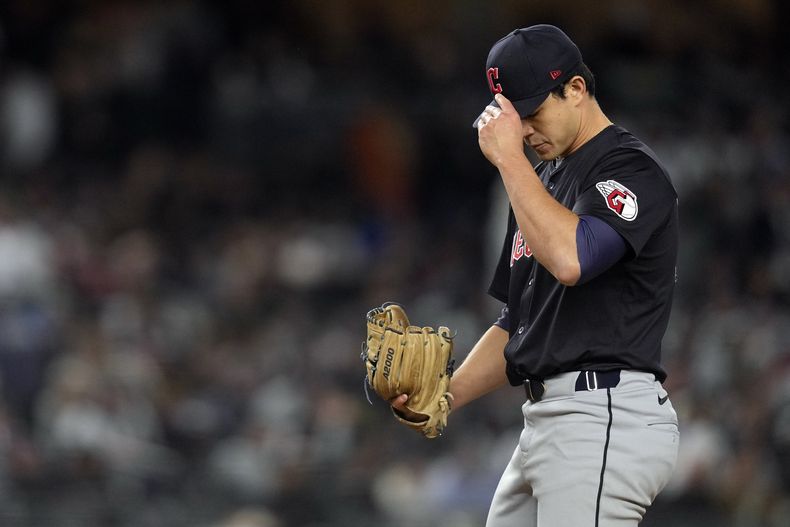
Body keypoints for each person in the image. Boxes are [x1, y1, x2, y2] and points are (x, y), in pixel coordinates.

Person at [393, 24, 680, 526]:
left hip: (603, 414)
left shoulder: (630, 167)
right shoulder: (541, 181)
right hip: (547, 421)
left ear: (575, 89)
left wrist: (508, 161)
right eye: (513, 117)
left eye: (531, 112)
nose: (523, 130)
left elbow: (572, 260)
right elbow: (518, 323)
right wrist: (444, 396)